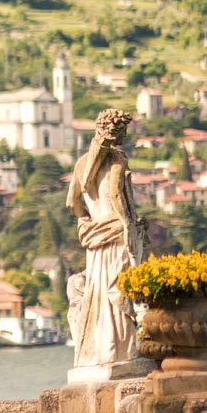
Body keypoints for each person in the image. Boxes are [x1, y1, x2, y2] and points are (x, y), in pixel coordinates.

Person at [65, 107, 144, 368]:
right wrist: (131, 225)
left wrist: (87, 222)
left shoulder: (81, 164)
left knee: (100, 290)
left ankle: (102, 350)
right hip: (117, 234)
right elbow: (119, 199)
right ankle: (121, 352)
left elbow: (73, 203)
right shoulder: (118, 160)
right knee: (118, 289)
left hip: (96, 238)